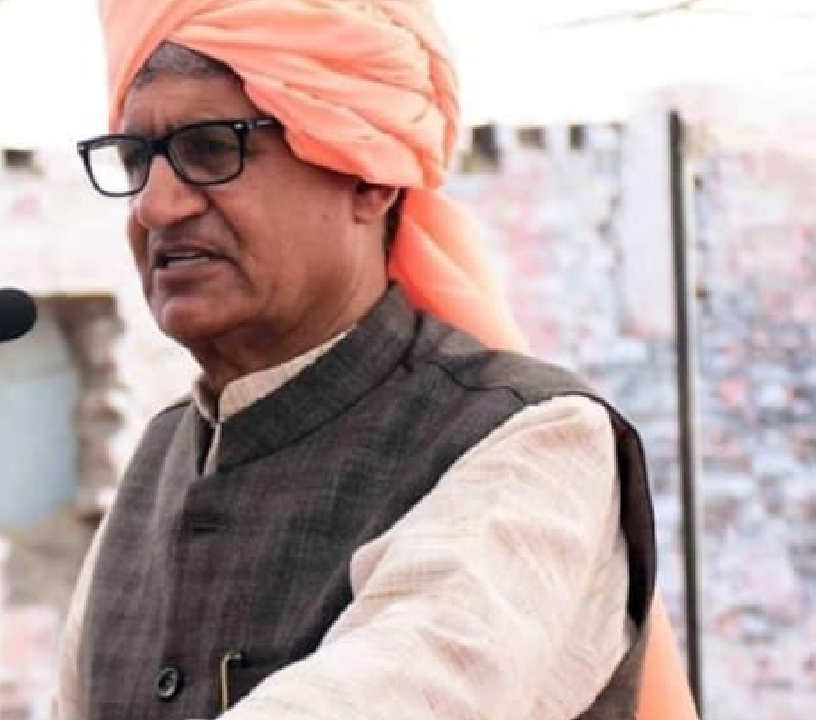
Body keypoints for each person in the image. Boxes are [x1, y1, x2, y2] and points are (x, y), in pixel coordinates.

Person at [55, 1, 699, 719]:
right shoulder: (162, 455)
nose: (154, 206)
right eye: (135, 160)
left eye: (209, 149)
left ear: (370, 175)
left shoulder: (533, 442)